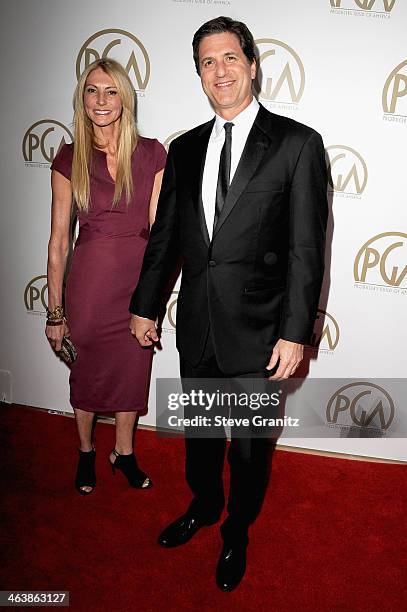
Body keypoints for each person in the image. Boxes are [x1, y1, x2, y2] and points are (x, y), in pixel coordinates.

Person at [129, 16, 328, 591]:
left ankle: (235, 531)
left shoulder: (297, 144)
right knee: (201, 435)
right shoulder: (185, 148)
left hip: (264, 334)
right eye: (207, 62)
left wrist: (296, 333)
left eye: (229, 59)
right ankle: (203, 505)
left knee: (246, 448)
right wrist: (146, 304)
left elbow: (307, 248)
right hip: (197, 324)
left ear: (251, 63)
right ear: (198, 73)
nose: (220, 71)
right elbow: (167, 235)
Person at [46, 58, 166, 495]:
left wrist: (152, 301)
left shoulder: (152, 153)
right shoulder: (69, 157)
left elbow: (159, 236)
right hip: (90, 290)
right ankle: (85, 452)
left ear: (125, 98)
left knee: (134, 370)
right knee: (88, 373)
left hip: (137, 286)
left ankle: (124, 453)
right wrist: (55, 313)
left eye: (111, 90)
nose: (101, 100)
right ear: (82, 98)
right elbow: (59, 242)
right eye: (92, 90)